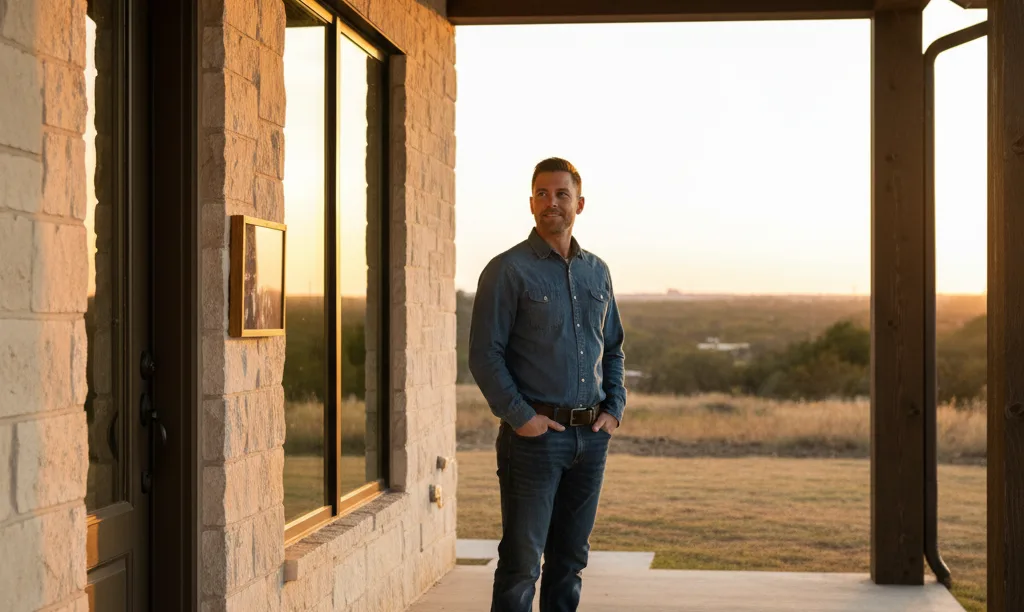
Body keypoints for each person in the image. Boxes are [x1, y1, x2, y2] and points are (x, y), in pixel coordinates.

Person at [468, 157, 627, 612]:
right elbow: (484, 354)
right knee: (521, 565)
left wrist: (613, 408)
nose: (551, 202)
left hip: (591, 439)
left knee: (570, 561)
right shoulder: (507, 270)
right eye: (541, 193)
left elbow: (613, 347)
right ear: (531, 203)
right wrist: (522, 418)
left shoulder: (597, 272)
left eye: (560, 194)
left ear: (579, 203)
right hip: (535, 441)